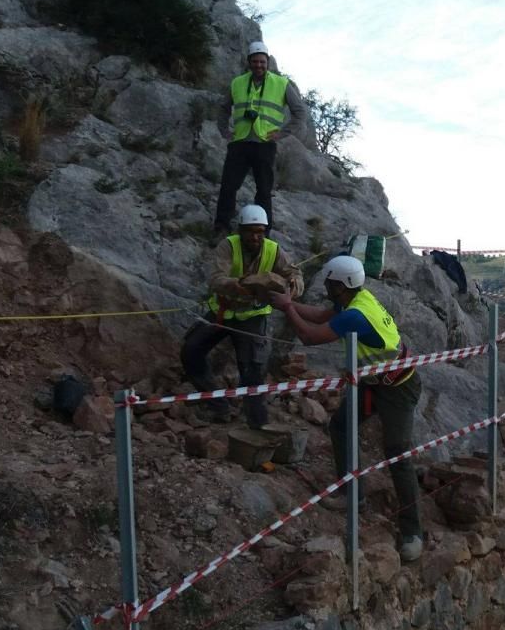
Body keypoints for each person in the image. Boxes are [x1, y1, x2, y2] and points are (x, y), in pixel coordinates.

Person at [270, 256, 424, 562]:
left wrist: (288, 308)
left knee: (397, 454)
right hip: (374, 381)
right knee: (341, 426)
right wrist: (288, 303)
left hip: (397, 388)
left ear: (340, 286)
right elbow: (321, 315)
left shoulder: (356, 315)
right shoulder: (357, 298)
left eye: (329, 282)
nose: (326, 286)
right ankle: (353, 493)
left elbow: (310, 336)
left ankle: (412, 532)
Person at [181, 204, 303, 427]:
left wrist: (292, 287)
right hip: (223, 311)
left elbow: (295, 274)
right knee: (191, 351)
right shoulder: (228, 246)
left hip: (252, 318)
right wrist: (240, 286)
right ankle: (220, 404)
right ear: (240, 230)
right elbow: (216, 279)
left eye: (260, 232)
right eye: (250, 231)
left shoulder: (274, 250)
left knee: (252, 372)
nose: (255, 237)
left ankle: (257, 427)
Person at [213, 41, 307, 237]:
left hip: (265, 144)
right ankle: (221, 227)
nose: (259, 65)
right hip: (239, 143)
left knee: (264, 190)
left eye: (262, 62)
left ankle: (264, 232)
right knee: (228, 186)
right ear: (249, 62)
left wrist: (282, 133)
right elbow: (223, 108)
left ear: (268, 62)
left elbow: (299, 112)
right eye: (255, 61)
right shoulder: (238, 82)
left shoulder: (281, 83)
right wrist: (224, 130)